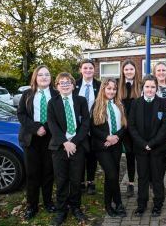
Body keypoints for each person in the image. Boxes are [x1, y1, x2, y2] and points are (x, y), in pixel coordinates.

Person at [47, 72, 90, 225]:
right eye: (61, 83)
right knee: (61, 179)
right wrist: (65, 142)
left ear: (73, 85)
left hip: (77, 146)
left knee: (76, 178)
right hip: (60, 147)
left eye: (68, 82)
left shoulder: (81, 101)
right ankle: (62, 210)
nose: (65, 85)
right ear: (57, 86)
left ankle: (76, 207)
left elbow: (86, 123)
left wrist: (74, 142)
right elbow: (52, 125)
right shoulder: (52, 102)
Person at [17, 65, 58, 220]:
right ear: (35, 77)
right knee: (33, 173)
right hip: (31, 138)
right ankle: (32, 205)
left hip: (49, 137)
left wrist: (45, 128)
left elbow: (58, 116)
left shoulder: (55, 94)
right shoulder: (27, 94)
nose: (44, 77)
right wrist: (36, 128)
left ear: (50, 78)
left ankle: (48, 201)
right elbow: (20, 113)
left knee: (48, 172)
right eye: (40, 75)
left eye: (47, 74)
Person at [128, 75, 166, 217]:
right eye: (147, 87)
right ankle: (142, 204)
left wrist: (152, 143)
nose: (150, 89)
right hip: (140, 148)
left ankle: (158, 204)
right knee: (143, 177)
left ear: (156, 88)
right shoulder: (136, 103)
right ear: (143, 88)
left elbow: (165, 126)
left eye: (153, 87)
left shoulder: (162, 103)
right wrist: (143, 144)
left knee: (157, 177)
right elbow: (131, 125)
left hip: (157, 147)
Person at [90, 77, 127, 217]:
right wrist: (107, 137)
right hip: (102, 146)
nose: (112, 91)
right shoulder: (96, 105)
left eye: (114, 89)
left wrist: (116, 137)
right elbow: (92, 127)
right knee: (111, 174)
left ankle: (108, 203)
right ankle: (118, 203)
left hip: (116, 145)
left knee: (112, 176)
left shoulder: (120, 105)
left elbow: (124, 125)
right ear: (103, 89)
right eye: (109, 88)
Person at [74, 59, 101, 195]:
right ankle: (79, 182)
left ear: (94, 70)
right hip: (77, 126)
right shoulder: (74, 85)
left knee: (92, 155)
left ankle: (91, 182)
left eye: (91, 68)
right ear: (80, 70)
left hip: (94, 126)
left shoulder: (100, 85)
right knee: (79, 155)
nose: (88, 70)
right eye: (85, 68)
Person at [117, 60, 141, 197]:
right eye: (126, 69)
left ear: (135, 71)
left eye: (131, 69)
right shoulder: (118, 86)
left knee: (140, 156)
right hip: (123, 128)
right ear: (123, 71)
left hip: (137, 128)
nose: (129, 72)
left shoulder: (140, 86)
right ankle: (130, 183)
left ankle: (141, 183)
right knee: (129, 156)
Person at [152, 62, 166, 196]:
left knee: (164, 157)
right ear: (155, 72)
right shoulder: (152, 87)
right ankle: (153, 184)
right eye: (159, 70)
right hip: (156, 129)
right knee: (155, 157)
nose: (161, 72)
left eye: (163, 70)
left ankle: (159, 183)